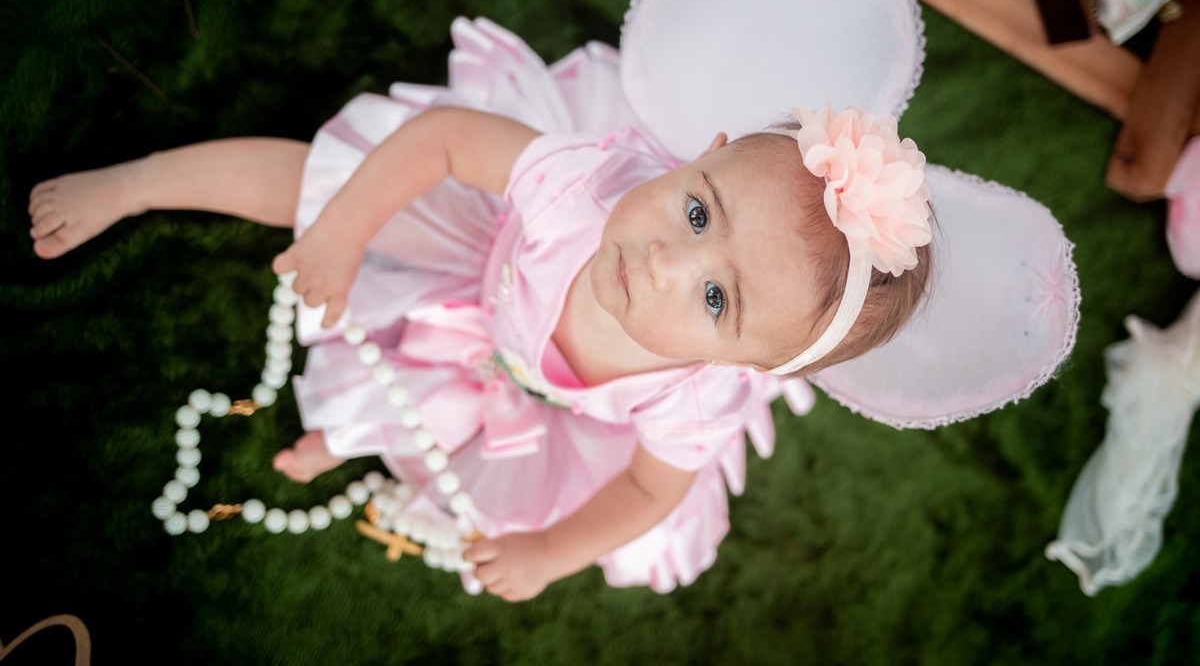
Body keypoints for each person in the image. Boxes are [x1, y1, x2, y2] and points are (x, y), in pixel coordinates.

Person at [27, 74, 932, 601]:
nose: (662, 262)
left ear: (747, 365)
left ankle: (364, 435)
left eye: (713, 299)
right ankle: (140, 181)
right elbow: (449, 138)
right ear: (705, 149)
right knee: (336, 187)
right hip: (489, 266)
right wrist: (342, 231)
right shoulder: (582, 189)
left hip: (527, 373)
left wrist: (554, 553)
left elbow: (652, 488)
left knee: (520, 506)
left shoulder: (695, 398)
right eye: (697, 209)